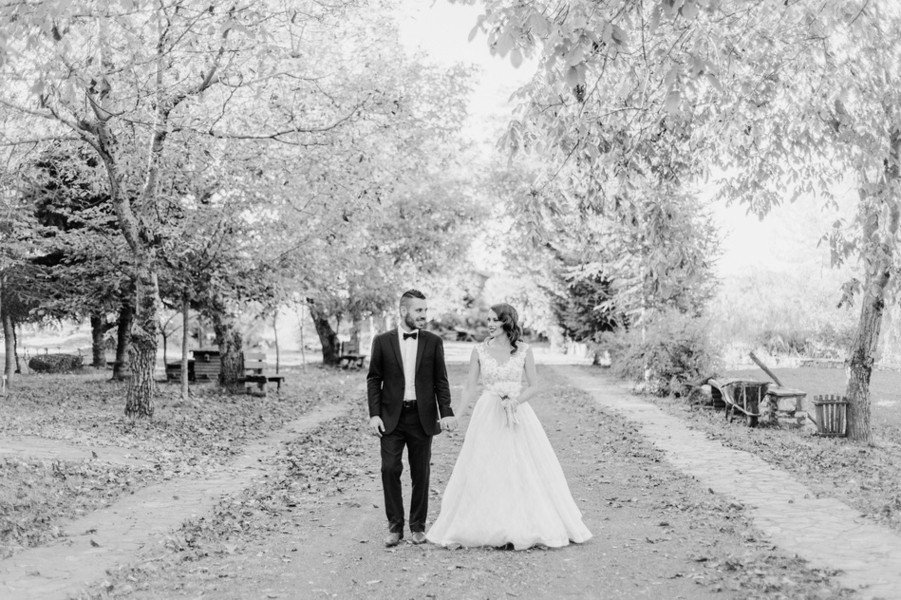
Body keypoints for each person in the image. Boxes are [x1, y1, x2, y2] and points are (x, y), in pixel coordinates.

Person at [426, 303, 592, 550]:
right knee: (486, 464)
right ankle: (486, 522)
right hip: (488, 413)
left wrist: (516, 401)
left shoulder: (524, 350)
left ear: (507, 322)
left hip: (517, 412)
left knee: (522, 465)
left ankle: (523, 522)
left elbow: (534, 385)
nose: (490, 324)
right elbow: (470, 386)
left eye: (494, 320)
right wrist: (457, 415)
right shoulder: (479, 350)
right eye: (488, 320)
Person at [367, 289, 457, 547]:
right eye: (419, 310)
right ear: (404, 310)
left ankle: (418, 526)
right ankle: (395, 527)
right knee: (389, 469)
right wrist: (374, 415)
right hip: (391, 417)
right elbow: (374, 379)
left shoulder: (433, 342)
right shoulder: (382, 341)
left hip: (422, 417)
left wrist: (446, 412)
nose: (423, 315)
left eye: (425, 310)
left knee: (421, 473)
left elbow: (441, 380)